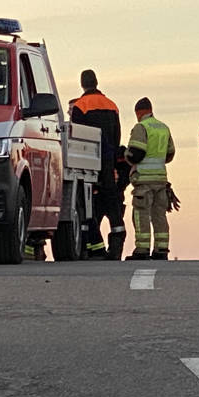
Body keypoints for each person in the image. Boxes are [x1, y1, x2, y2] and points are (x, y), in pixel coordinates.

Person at [71, 69, 123, 260]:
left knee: (87, 205)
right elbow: (117, 135)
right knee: (113, 203)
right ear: (97, 82)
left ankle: (86, 247)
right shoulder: (112, 105)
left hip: (88, 162)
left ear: (82, 84)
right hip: (108, 161)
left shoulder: (80, 106)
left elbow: (76, 136)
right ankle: (116, 247)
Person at [124, 97, 176, 260]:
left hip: (144, 181)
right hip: (161, 180)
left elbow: (136, 153)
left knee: (141, 214)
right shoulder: (163, 128)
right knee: (159, 214)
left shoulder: (141, 127)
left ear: (139, 112)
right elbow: (170, 153)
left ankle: (142, 249)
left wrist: (126, 156)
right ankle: (161, 249)